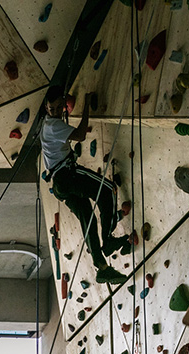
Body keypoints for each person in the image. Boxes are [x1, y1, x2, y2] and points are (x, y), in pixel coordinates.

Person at [40, 85, 130, 285]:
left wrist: (64, 107)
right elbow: (80, 135)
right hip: (67, 175)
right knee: (107, 190)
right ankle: (107, 240)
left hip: (60, 186)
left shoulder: (47, 124)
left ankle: (102, 266)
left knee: (87, 218)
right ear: (47, 108)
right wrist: (87, 105)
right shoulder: (54, 125)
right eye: (51, 109)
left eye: (56, 108)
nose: (53, 112)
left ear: (62, 105)